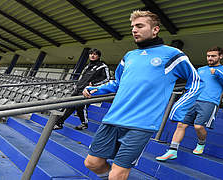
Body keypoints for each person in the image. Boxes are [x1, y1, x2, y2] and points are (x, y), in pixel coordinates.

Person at [82, 10, 199, 180]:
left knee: (117, 174)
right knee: (92, 164)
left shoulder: (172, 54)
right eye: (132, 27)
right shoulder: (130, 56)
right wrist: (98, 89)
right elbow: (118, 82)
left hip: (141, 124)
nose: (134, 30)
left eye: (139, 26)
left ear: (155, 30)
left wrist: (179, 107)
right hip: (113, 118)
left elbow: (196, 82)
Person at [156, 46, 223, 161]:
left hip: (209, 102)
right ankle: (172, 151)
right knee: (181, 124)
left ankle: (201, 143)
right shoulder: (200, 69)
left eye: (213, 56)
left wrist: (219, 74)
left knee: (198, 126)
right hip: (192, 100)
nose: (210, 58)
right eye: (208, 56)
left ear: (220, 56)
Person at [53, 48, 110, 130]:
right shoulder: (88, 66)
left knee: (80, 106)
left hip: (87, 90)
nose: (92, 55)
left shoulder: (102, 66)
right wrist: (77, 85)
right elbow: (83, 77)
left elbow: (106, 78)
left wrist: (93, 83)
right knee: (69, 106)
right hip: (79, 88)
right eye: (91, 54)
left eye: (95, 54)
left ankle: (84, 123)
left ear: (98, 56)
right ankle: (59, 123)